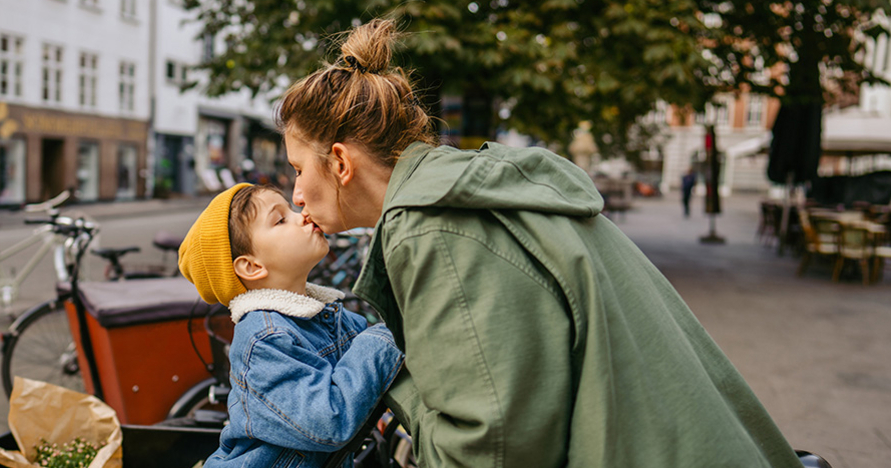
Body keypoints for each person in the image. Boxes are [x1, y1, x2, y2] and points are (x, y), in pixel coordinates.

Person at [278, 19, 803, 468]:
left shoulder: (431, 227)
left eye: (299, 169)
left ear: (341, 163)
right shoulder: (473, 188)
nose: (296, 193)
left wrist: (391, 377)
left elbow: (487, 454)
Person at [178, 183, 403, 468]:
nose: (303, 215)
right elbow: (329, 421)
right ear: (251, 267)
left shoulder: (327, 316)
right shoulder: (263, 338)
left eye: (292, 209)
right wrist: (388, 334)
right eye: (280, 219)